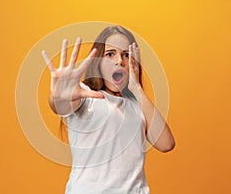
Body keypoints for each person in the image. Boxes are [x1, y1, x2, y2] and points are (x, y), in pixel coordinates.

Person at [42, 25, 175, 194]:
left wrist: (137, 88)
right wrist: (60, 94)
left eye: (126, 55)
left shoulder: (137, 105)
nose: (119, 60)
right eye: (110, 54)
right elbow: (59, 104)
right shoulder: (85, 95)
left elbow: (166, 144)